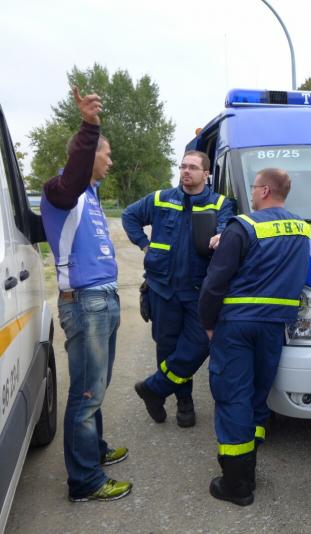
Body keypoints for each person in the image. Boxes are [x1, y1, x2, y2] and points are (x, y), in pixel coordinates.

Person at [197, 168, 309, 505]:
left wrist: (208, 321)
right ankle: (249, 468)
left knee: (233, 397)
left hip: (237, 325)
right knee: (258, 395)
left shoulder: (243, 226)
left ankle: (236, 484)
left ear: (264, 191)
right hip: (274, 326)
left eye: (254, 186)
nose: (252, 191)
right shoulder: (302, 228)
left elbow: (215, 282)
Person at [40, 87, 131, 502]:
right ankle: (85, 481)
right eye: (105, 153)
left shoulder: (91, 195)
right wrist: (89, 127)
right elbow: (74, 173)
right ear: (89, 153)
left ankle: (93, 450)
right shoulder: (62, 190)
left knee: (97, 385)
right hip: (85, 302)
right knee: (86, 393)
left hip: (104, 300)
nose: (110, 161)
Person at [122, 151, 234, 428]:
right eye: (183, 166)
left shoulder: (220, 204)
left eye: (193, 167)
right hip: (162, 288)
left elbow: (226, 231)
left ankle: (154, 388)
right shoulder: (161, 198)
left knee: (199, 344)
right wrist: (145, 245)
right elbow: (129, 216)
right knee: (168, 347)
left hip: (198, 290)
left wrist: (221, 236)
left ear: (206, 174)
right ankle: (183, 401)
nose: (186, 171)